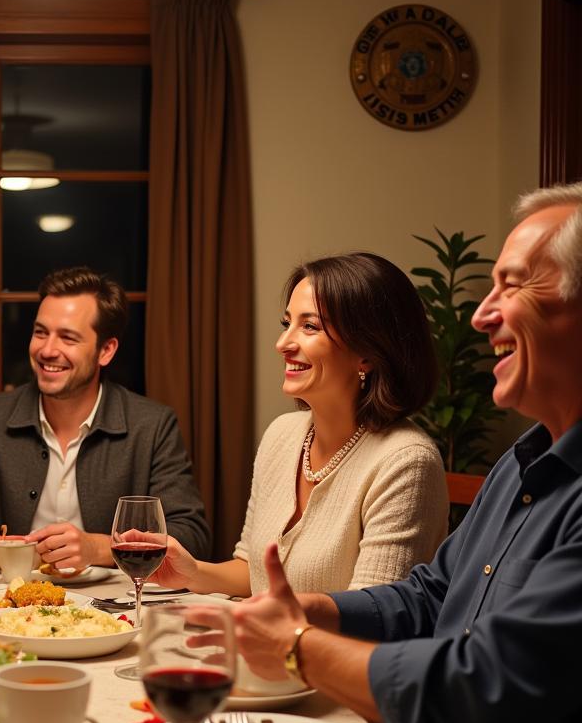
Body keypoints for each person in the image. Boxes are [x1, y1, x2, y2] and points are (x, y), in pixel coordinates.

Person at [223, 185, 582, 723]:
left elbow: (481, 686)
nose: (481, 315)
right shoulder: (522, 463)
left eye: (512, 286)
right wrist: (315, 611)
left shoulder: (415, 457)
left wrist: (298, 646)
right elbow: (432, 594)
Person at [153, 252, 448, 597]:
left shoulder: (406, 462)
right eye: (287, 324)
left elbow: (374, 618)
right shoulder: (282, 434)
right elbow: (253, 573)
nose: (282, 344)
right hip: (268, 646)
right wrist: (191, 572)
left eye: (309, 326)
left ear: (367, 351)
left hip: (330, 651)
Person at [0, 266, 211, 567]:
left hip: (110, 610)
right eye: (41, 333)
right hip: (3, 607)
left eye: (68, 337)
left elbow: (191, 535)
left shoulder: (152, 426)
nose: (47, 350)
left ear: (106, 350)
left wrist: (100, 548)